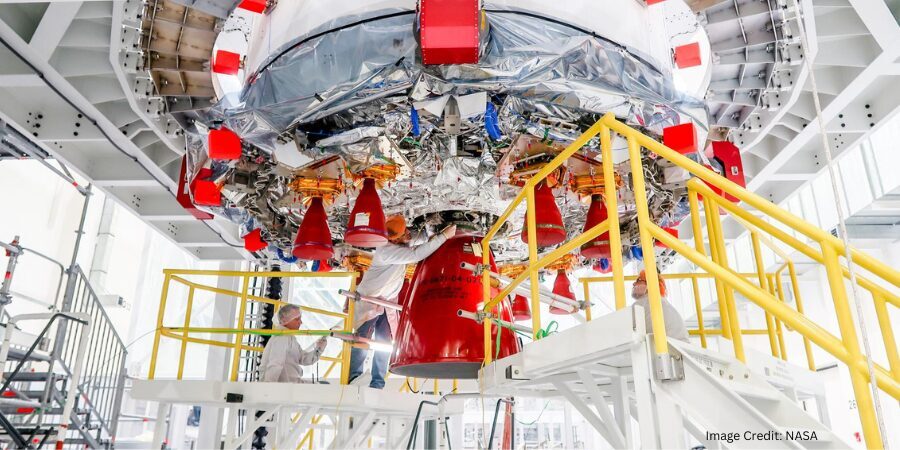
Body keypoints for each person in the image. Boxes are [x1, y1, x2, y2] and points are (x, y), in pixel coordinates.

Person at [348, 215, 456, 389]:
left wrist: (434, 233)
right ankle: (354, 378)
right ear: (394, 239)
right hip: (370, 299)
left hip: (386, 302)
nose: (408, 233)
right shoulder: (385, 251)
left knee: (385, 341)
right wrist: (443, 237)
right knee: (363, 339)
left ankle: (377, 383)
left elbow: (417, 240)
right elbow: (416, 254)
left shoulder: (398, 243)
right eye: (403, 232)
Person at [259, 304, 328, 383]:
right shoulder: (281, 337)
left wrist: (319, 349)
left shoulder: (290, 338)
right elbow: (275, 364)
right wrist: (268, 387)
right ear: (285, 321)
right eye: (297, 319)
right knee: (322, 385)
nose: (301, 322)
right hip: (285, 386)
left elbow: (304, 359)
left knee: (322, 384)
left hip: (290, 384)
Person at [631, 269, 690, 342]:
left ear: (649, 283)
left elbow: (623, 325)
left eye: (638, 280)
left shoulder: (644, 302)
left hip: (668, 346)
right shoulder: (660, 301)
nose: (634, 284)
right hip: (680, 345)